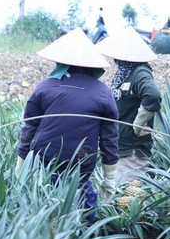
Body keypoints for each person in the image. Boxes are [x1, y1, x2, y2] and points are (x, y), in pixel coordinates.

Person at [15, 28, 120, 222]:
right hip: (82, 157)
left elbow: (29, 128)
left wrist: (21, 163)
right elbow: (109, 139)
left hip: (46, 155)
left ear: (60, 63)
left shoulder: (45, 87)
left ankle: (49, 231)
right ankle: (85, 236)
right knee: (81, 190)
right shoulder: (103, 92)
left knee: (47, 195)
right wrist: (109, 178)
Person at [96, 26, 162, 185]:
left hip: (132, 151)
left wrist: (138, 124)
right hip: (120, 147)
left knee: (125, 196)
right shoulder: (124, 74)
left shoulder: (139, 73)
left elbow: (153, 95)